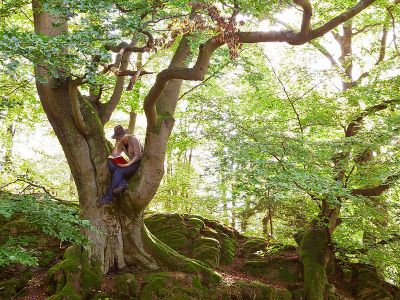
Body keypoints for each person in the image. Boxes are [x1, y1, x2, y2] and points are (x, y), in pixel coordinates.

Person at [98, 125, 143, 205]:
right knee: (110, 162)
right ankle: (123, 183)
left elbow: (138, 155)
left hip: (136, 163)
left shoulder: (133, 139)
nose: (119, 138)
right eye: (118, 137)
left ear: (125, 134)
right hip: (129, 163)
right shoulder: (121, 142)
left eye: (121, 136)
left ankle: (109, 197)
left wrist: (128, 164)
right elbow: (114, 155)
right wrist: (116, 145)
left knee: (119, 171)